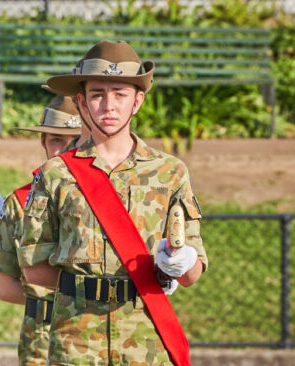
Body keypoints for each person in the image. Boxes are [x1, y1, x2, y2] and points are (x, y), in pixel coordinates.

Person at [19, 40, 207, 365]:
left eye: (120, 94)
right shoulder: (56, 174)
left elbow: (192, 274)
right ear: (81, 102)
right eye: (97, 94)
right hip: (76, 342)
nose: (109, 106)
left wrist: (178, 264)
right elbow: (34, 268)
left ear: (138, 101)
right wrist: (87, 289)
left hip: (146, 340)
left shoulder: (169, 173)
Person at [0, 95, 81, 365]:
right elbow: (5, 288)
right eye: (56, 140)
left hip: (100, 336)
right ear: (43, 142)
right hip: (42, 342)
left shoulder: (110, 201)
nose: (65, 149)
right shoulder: (19, 203)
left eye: (76, 140)